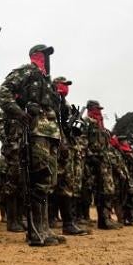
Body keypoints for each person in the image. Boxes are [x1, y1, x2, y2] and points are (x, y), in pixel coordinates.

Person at [0, 44, 63, 246]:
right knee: (38, 180)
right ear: (37, 56)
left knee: (48, 182)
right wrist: (19, 113)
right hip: (34, 133)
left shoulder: (48, 82)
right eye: (45, 55)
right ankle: (35, 231)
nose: (47, 59)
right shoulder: (26, 71)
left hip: (50, 135)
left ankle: (44, 228)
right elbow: (4, 91)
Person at [51, 76, 88, 236]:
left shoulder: (65, 104)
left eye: (67, 85)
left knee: (65, 183)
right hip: (53, 145)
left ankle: (68, 222)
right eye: (63, 85)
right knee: (51, 184)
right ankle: (49, 220)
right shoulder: (50, 100)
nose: (66, 88)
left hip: (66, 146)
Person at [85, 100, 120, 230]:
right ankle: (101, 220)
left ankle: (105, 218)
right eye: (96, 109)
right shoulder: (86, 122)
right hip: (92, 161)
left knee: (107, 190)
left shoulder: (102, 126)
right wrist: (90, 156)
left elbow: (107, 145)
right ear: (90, 109)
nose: (99, 111)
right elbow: (82, 140)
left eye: (100, 109)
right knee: (94, 190)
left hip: (104, 161)